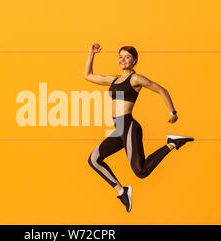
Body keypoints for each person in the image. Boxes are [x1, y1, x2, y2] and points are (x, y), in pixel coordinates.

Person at [83, 43, 194, 212]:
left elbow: (162, 90)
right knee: (93, 160)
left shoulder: (135, 79)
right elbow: (88, 75)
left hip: (129, 126)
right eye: (120, 57)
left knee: (141, 171)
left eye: (127, 57)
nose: (123, 60)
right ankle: (122, 191)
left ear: (134, 61)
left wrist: (173, 112)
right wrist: (91, 54)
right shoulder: (113, 79)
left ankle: (172, 143)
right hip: (119, 129)